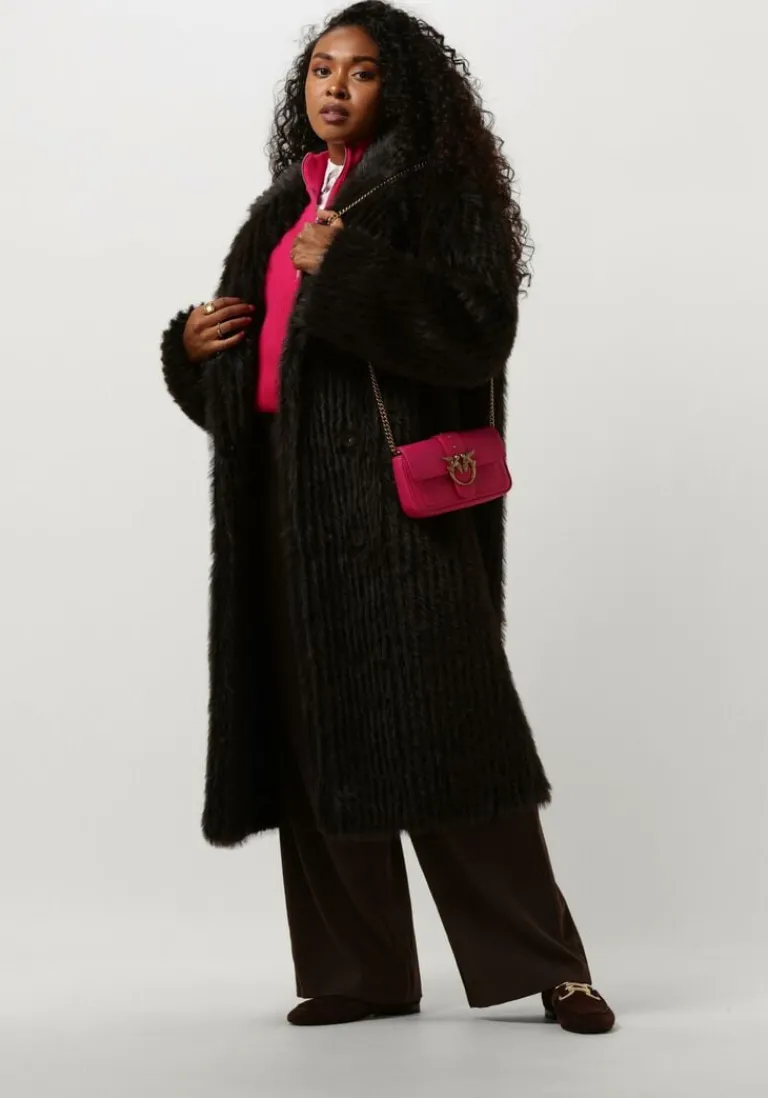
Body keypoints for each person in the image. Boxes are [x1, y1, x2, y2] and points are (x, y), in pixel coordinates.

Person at [160, 0, 615, 1034]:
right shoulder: (279, 210)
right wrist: (193, 354)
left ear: (397, 87)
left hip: (393, 514)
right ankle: (359, 973)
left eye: (360, 71)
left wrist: (355, 268)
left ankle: (554, 968)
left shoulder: (439, 193)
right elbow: (261, 387)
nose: (334, 86)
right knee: (312, 737)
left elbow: (476, 333)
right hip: (284, 511)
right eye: (322, 68)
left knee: (450, 731)